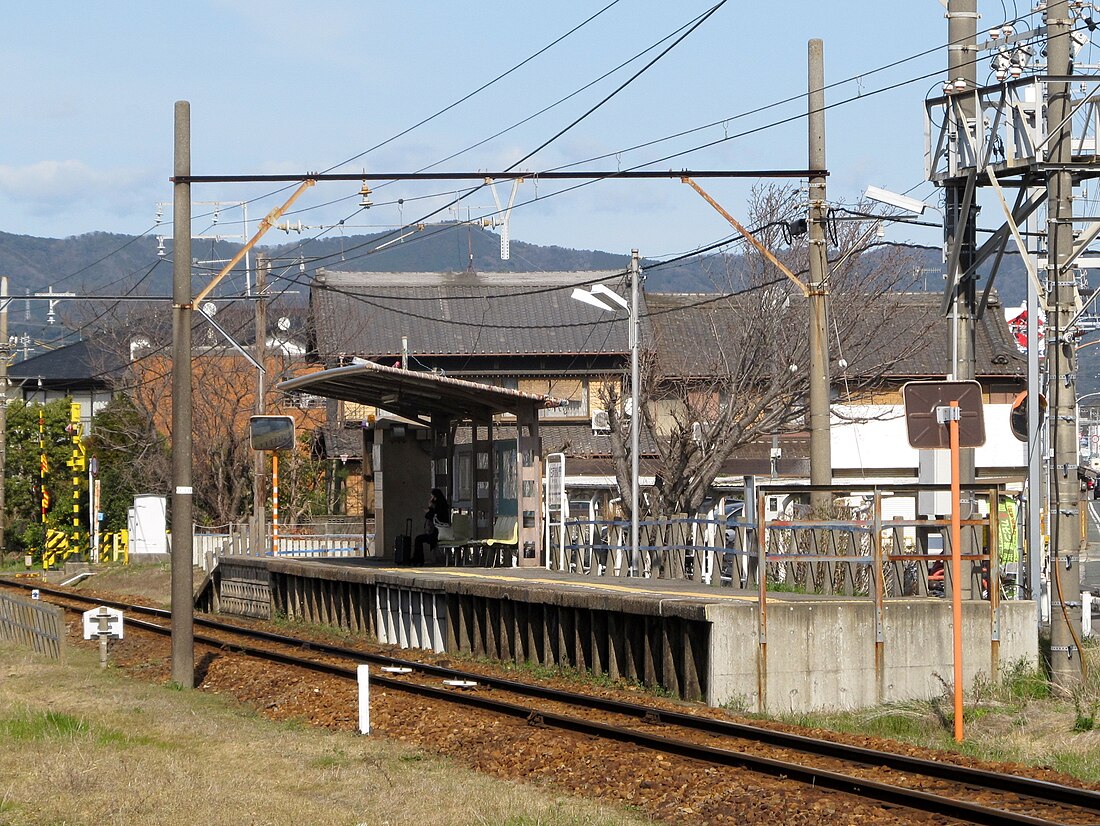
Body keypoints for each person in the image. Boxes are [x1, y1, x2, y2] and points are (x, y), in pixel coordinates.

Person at [413, 488, 451, 565]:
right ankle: (417, 559)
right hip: (438, 532)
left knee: (418, 539)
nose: (431, 499)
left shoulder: (439, 508)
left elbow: (431, 516)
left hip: (438, 533)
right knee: (419, 539)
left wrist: (430, 509)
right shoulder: (442, 507)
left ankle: (418, 560)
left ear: (435, 497)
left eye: (432, 497)